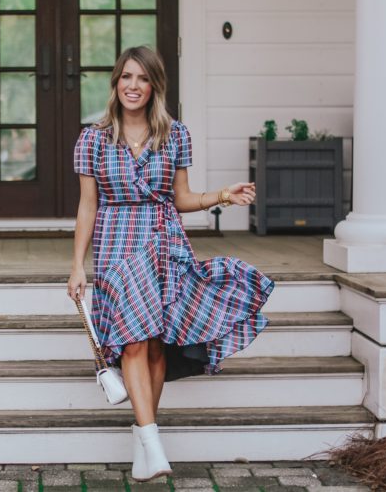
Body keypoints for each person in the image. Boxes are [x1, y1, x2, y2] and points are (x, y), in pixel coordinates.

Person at [67, 46, 275, 482]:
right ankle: (153, 443)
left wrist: (222, 195)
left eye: (142, 79)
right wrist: (77, 265)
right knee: (134, 343)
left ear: (155, 86)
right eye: (126, 77)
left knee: (157, 345)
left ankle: (145, 440)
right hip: (116, 244)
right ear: (115, 83)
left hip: (164, 241)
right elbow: (88, 207)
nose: (133, 86)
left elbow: (181, 198)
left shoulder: (175, 135)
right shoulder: (93, 138)